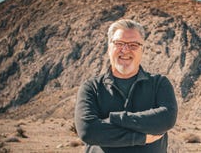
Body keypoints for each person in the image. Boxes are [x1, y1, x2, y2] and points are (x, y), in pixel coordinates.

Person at [74, 19, 178, 153]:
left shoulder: (159, 83)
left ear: (142, 49)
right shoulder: (91, 87)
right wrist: (141, 138)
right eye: (119, 43)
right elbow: (87, 131)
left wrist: (114, 119)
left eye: (133, 44)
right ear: (109, 47)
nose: (125, 50)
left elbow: (166, 119)